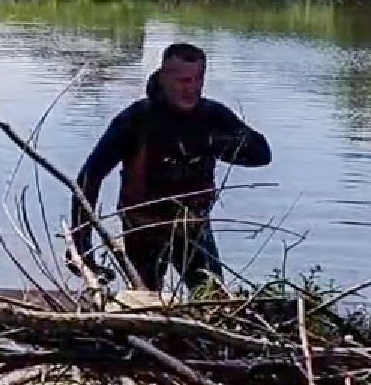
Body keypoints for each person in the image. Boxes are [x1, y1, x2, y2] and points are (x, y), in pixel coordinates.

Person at [68, 42, 270, 293]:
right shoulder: (136, 120)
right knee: (146, 299)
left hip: (193, 228)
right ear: (163, 78)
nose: (192, 88)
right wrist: (81, 243)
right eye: (183, 81)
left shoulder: (212, 116)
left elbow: (262, 154)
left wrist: (211, 143)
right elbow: (89, 177)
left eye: (198, 80)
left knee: (212, 297)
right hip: (143, 229)